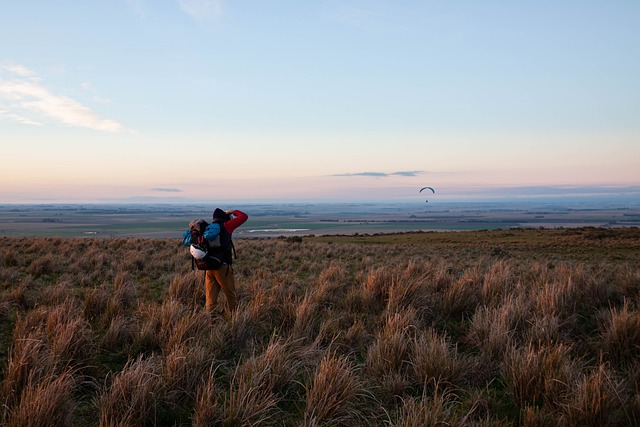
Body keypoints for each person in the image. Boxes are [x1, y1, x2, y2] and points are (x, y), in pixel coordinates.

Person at [204, 208, 248, 314]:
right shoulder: (227, 226)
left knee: (210, 299)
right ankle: (234, 320)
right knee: (231, 296)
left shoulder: (208, 229)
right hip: (223, 268)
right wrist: (232, 212)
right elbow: (244, 217)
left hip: (209, 267)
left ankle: (211, 322)